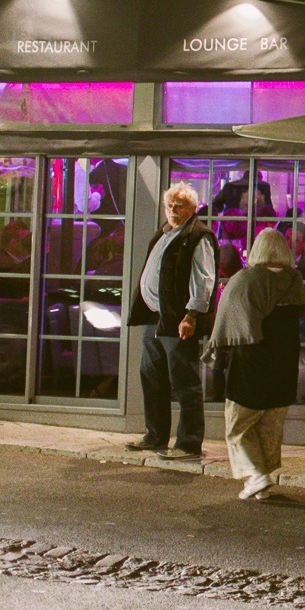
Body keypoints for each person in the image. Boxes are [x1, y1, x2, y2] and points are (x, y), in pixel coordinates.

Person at [208, 228, 305, 500]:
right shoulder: (295, 279)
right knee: (270, 427)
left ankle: (256, 475)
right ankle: (261, 481)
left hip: (251, 362)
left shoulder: (245, 280)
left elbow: (227, 319)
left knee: (238, 426)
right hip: (285, 363)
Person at [124, 182, 217, 459]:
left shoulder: (198, 236)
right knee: (151, 377)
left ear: (193, 208)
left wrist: (191, 316)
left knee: (184, 381)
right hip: (156, 317)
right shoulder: (166, 232)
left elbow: (204, 280)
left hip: (178, 319)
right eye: (169, 205)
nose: (173, 210)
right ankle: (155, 436)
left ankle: (188, 444)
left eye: (180, 205)